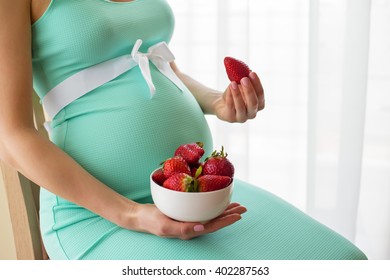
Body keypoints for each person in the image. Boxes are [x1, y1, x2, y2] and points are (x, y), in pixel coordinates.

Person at [0, 0, 366, 260]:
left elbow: (148, 65)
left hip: (193, 196)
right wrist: (132, 215)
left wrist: (216, 102)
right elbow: (11, 136)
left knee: (344, 260)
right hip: (97, 216)